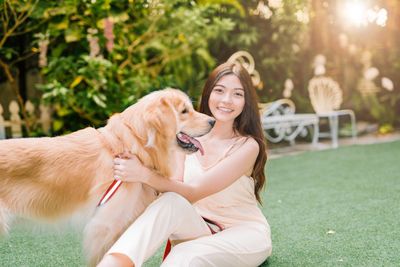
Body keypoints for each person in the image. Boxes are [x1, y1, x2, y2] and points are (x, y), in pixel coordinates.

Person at [97, 62, 272, 267]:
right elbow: (174, 188)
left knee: (186, 254)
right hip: (198, 228)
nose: (226, 100)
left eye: (237, 94)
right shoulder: (184, 139)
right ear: (208, 93)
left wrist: (142, 173)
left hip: (244, 235)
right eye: (219, 90)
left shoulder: (248, 146)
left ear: (246, 102)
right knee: (171, 201)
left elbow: (193, 192)